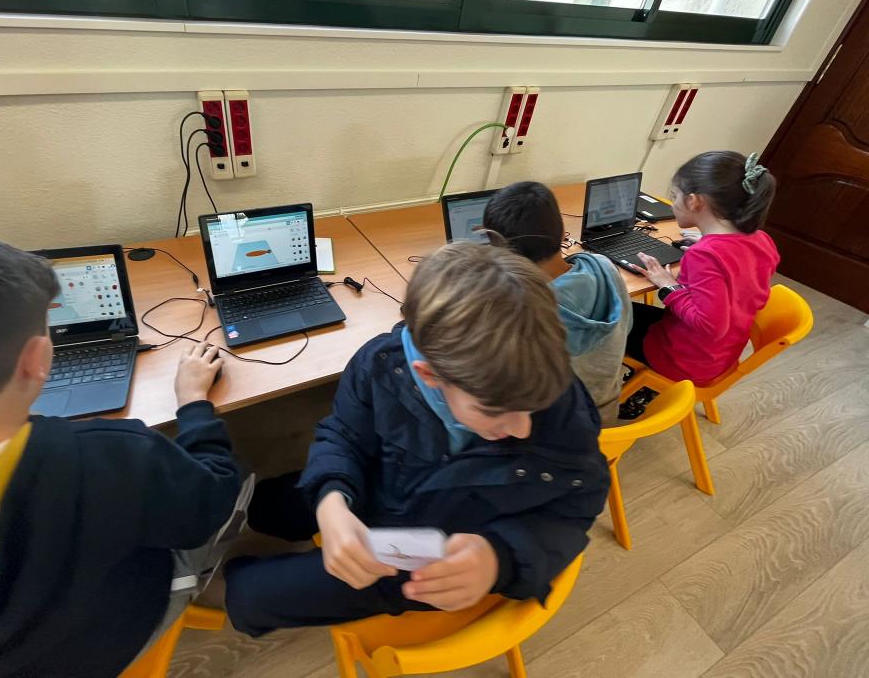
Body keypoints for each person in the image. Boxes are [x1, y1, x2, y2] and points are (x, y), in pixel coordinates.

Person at [0, 228, 242, 678]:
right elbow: (208, 504)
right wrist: (193, 403)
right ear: (38, 359)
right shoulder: (115, 457)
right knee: (235, 480)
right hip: (118, 639)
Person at [223, 242, 609, 637]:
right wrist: (332, 501)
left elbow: (576, 506)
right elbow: (344, 435)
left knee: (245, 595)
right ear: (429, 375)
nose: (523, 428)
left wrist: (500, 557)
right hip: (385, 486)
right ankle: (278, 515)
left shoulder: (556, 402)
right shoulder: (380, 363)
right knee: (268, 503)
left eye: (535, 405)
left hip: (425, 558)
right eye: (495, 411)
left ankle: (246, 571)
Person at [482, 181, 632, 423]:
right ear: (562, 232)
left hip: (559, 427)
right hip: (606, 404)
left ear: (501, 252)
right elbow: (627, 325)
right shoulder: (603, 266)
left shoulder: (523, 310)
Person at [626, 151, 780, 387]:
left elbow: (710, 326)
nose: (673, 204)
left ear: (694, 201)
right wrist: (709, 242)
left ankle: (611, 389)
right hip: (717, 356)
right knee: (624, 311)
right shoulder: (761, 240)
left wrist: (668, 285)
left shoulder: (705, 255)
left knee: (606, 314)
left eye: (674, 196)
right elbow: (739, 272)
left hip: (681, 359)